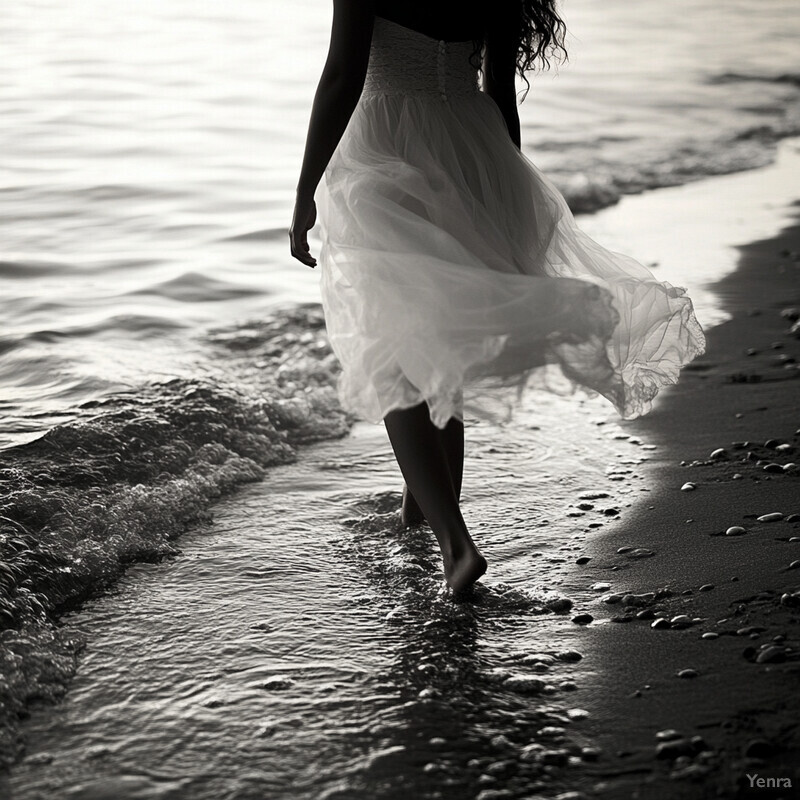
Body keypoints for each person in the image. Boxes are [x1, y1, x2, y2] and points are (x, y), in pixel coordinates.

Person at [289, 0, 706, 594]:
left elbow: (342, 75)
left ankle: (455, 544)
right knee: (439, 339)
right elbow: (500, 90)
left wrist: (305, 190)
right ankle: (420, 509)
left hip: (385, 151)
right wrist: (507, 194)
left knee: (390, 345)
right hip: (474, 146)